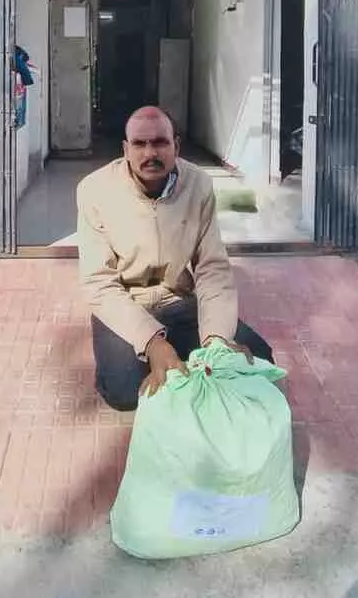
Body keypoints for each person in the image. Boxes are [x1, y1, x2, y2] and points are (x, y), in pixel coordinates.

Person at [76, 105, 274, 411]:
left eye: (160, 142)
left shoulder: (199, 185)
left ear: (176, 146)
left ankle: (178, 353)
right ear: (125, 150)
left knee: (257, 358)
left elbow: (212, 269)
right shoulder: (94, 190)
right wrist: (152, 341)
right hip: (126, 304)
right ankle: (160, 350)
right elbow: (99, 283)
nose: (150, 153)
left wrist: (216, 340)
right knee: (124, 392)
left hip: (179, 301)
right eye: (139, 144)